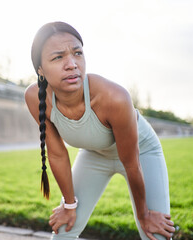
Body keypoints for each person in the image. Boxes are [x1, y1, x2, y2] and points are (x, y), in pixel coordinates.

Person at [25, 21, 175, 240]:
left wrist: (144, 216)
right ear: (40, 69)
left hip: (141, 154)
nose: (72, 64)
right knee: (64, 231)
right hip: (94, 154)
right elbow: (57, 154)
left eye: (77, 53)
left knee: (156, 233)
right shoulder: (35, 97)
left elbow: (132, 163)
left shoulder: (114, 97)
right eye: (58, 57)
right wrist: (69, 205)